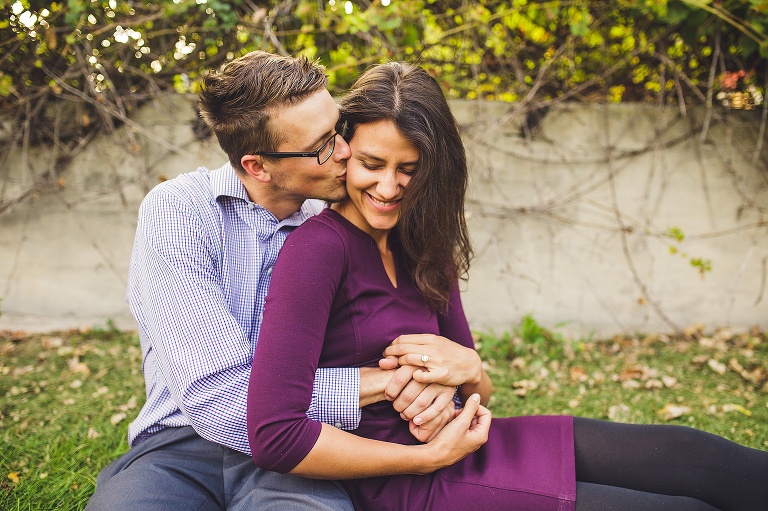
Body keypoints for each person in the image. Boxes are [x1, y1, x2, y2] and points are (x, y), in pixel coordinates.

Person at [247, 62, 768, 511]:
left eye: (409, 169)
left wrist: (470, 370)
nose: (388, 188)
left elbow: (480, 391)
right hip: (403, 483)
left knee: (698, 457)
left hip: (472, 441)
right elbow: (274, 434)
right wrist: (421, 458)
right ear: (343, 152)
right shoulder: (317, 250)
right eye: (371, 164)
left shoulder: (422, 241)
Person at [85, 51, 462, 511]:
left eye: (339, 130)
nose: (346, 153)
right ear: (258, 166)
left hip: (309, 446)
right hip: (181, 444)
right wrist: (394, 382)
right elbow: (216, 397)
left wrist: (445, 373)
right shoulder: (180, 213)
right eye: (324, 145)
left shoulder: (341, 217)